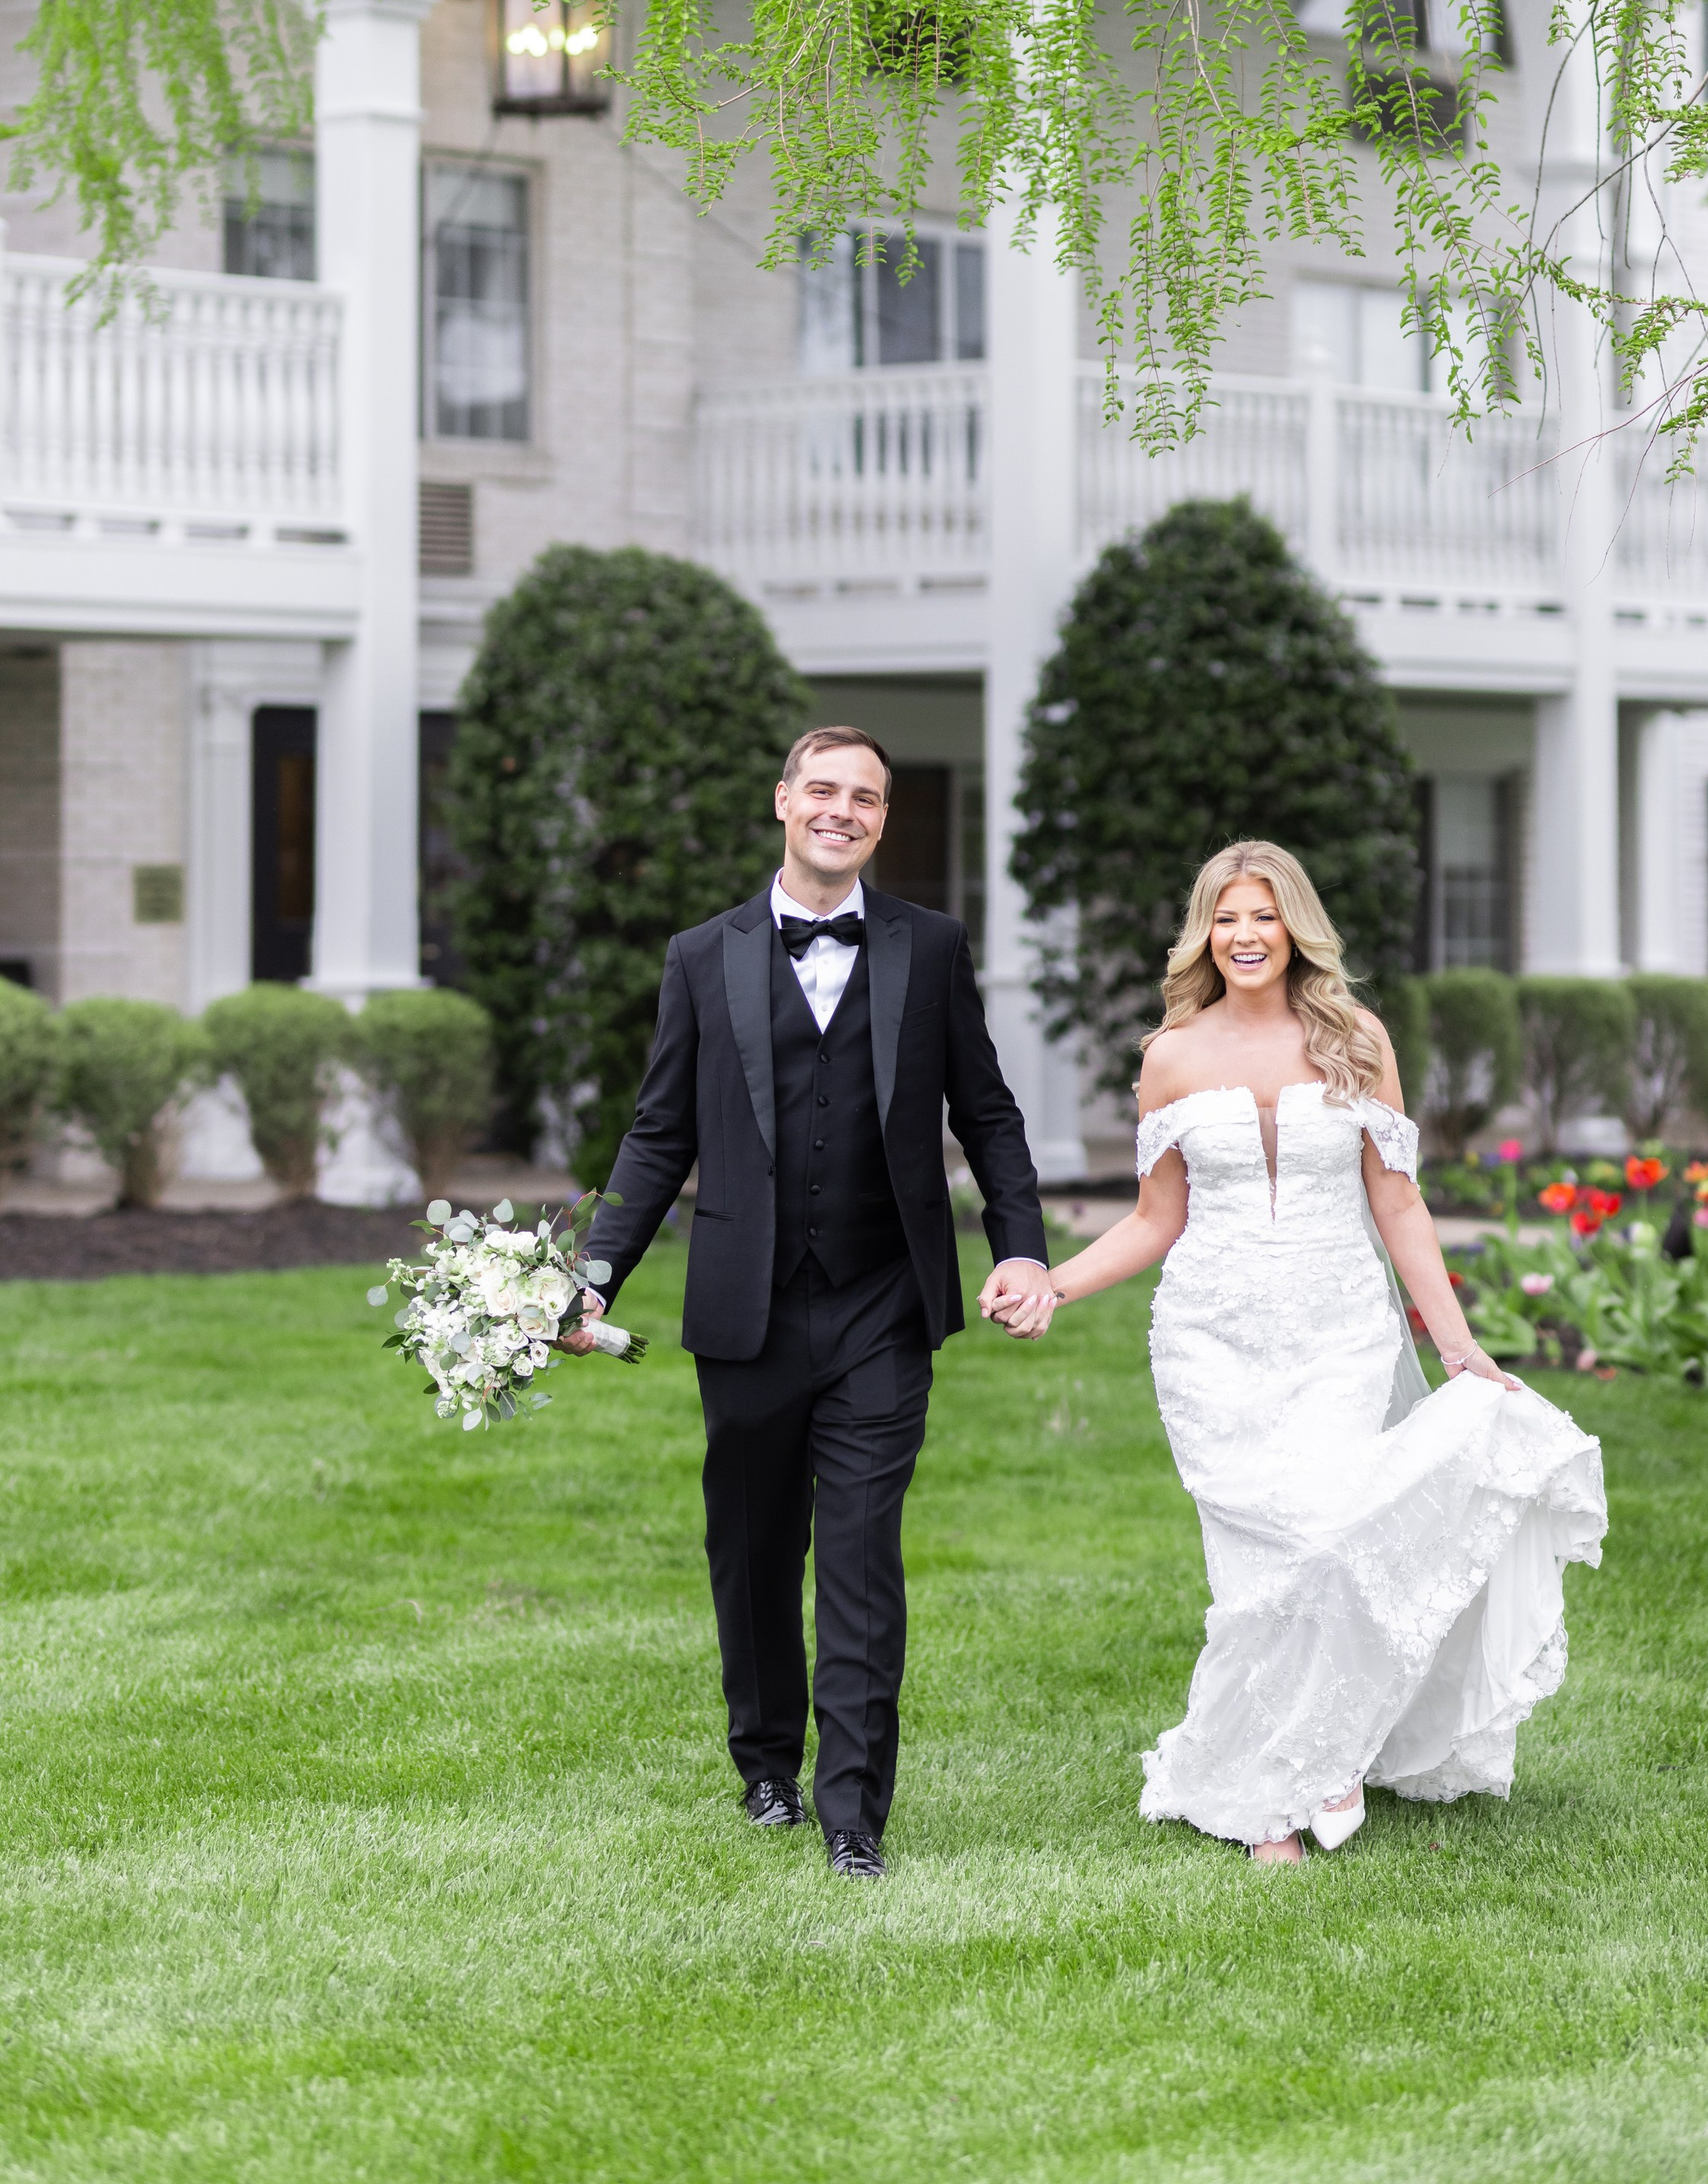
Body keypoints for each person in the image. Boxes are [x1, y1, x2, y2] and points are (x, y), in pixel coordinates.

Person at [989, 839, 1607, 1861]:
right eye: (1226, 918)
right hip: (1208, 1335)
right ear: (1204, 932)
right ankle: (1277, 1795)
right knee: (1255, 1568)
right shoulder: (1170, 1056)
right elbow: (1153, 1219)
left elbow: (1396, 1201)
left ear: (1295, 929)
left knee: (1326, 1536)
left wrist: (1456, 1345)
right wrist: (1054, 1280)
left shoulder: (1354, 1038)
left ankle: (1319, 1757)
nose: (1244, 937)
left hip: (1337, 1327)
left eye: (1263, 918)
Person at [567, 724, 1050, 1879]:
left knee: (863, 1553)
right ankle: (767, 1764)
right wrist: (591, 1274)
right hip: (748, 1306)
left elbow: (986, 1111)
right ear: (783, 799)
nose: (842, 810)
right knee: (753, 1542)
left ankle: (853, 1812)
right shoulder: (703, 953)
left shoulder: (930, 948)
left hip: (885, 1299)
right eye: (822, 789)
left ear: (884, 819)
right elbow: (659, 1131)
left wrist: (1022, 1247)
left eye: (866, 797)